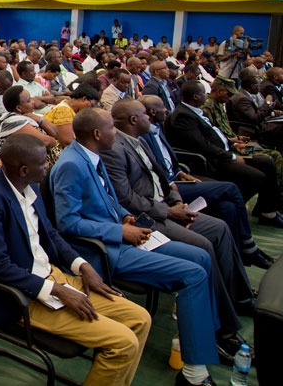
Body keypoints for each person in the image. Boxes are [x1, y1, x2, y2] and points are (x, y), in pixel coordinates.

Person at [51, 108, 221, 386]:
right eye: (111, 127)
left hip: (120, 235)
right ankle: (194, 373)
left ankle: (193, 333)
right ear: (97, 133)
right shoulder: (71, 165)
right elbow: (67, 222)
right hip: (105, 250)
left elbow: (108, 199)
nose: (115, 132)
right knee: (194, 274)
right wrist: (119, 230)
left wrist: (124, 216)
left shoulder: (92, 155)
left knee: (201, 257)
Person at [0, 134, 151, 386]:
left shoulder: (29, 186)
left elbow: (51, 233)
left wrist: (82, 265)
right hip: (24, 295)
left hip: (55, 277)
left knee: (140, 319)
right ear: (24, 170)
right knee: (123, 342)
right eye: (43, 163)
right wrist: (58, 291)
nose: (48, 166)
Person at [105, 99, 253, 357]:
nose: (150, 117)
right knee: (202, 247)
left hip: (166, 205)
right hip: (147, 217)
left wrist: (175, 201)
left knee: (219, 228)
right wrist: (168, 211)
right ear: (133, 120)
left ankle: (239, 298)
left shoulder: (139, 140)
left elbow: (162, 175)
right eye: (145, 114)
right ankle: (221, 330)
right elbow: (126, 198)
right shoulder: (114, 149)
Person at [140, 95, 273, 269]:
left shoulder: (157, 128)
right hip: (169, 188)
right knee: (231, 188)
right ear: (151, 111)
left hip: (178, 177)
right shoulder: (143, 136)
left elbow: (167, 160)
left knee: (228, 207)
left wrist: (180, 172)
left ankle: (236, 257)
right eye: (162, 107)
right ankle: (248, 245)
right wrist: (173, 184)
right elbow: (155, 171)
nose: (166, 109)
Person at [169, 81, 283, 227]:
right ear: (196, 96)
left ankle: (267, 211)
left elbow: (215, 135)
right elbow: (202, 145)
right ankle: (236, 204)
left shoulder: (196, 111)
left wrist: (233, 144)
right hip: (213, 160)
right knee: (257, 177)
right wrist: (232, 156)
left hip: (225, 151)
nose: (207, 95)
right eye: (204, 93)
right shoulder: (183, 116)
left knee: (267, 162)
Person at [0, 86, 60, 163]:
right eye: (29, 100)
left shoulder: (30, 116)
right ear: (18, 108)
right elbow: (44, 142)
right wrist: (53, 140)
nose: (33, 102)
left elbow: (56, 133)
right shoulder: (13, 122)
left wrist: (40, 120)